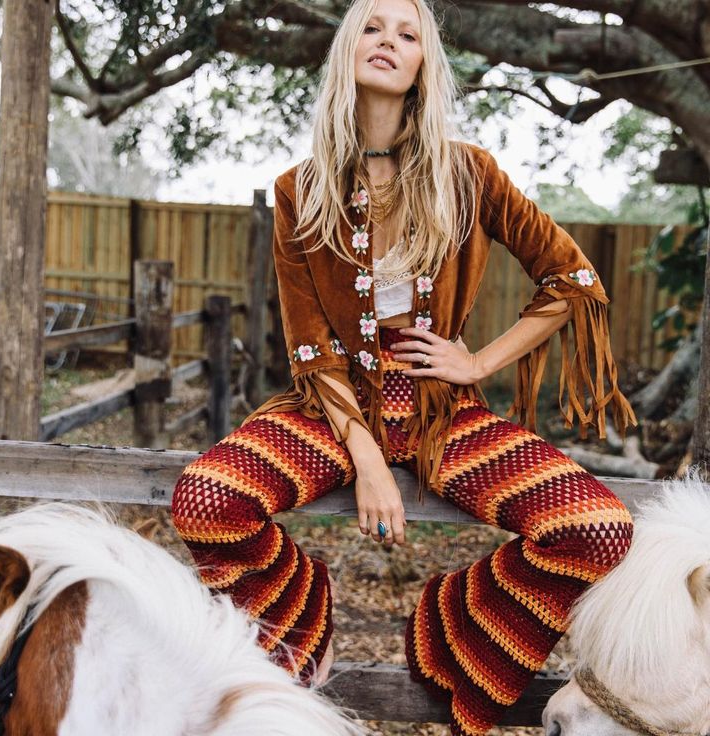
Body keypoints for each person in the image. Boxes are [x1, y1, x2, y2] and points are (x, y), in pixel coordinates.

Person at [171, 0, 637, 733]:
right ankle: (306, 613)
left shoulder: (469, 174)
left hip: (440, 412)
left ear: (425, 63)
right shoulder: (301, 187)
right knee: (206, 500)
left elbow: (573, 281)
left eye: (407, 32)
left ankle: (450, 618)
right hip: (330, 409)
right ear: (346, 50)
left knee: (599, 529)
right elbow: (310, 341)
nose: (388, 41)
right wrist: (368, 459)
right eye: (373, 28)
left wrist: (476, 359)